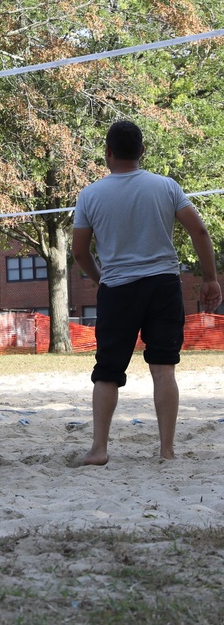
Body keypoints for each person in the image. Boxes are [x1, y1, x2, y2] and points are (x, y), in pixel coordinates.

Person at [72, 120, 221, 466]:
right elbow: (199, 230)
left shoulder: (91, 195)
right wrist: (210, 278)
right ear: (142, 151)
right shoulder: (166, 186)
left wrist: (100, 280)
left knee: (108, 371)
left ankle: (99, 449)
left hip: (118, 288)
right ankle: (167, 450)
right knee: (164, 367)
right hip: (163, 285)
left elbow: (80, 252)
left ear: (107, 153)